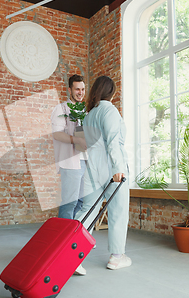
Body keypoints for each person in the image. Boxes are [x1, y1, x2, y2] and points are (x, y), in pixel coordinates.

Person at [75, 75, 131, 272]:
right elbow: (113, 141)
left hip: (92, 168)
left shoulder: (89, 114)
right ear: (111, 92)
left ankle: (72, 255)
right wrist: (118, 169)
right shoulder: (109, 110)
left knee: (87, 210)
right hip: (110, 167)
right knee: (118, 211)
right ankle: (117, 257)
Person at [51, 74, 87, 221]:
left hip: (85, 161)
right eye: (77, 89)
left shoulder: (85, 110)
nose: (80, 92)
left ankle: (73, 237)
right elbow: (57, 134)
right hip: (70, 162)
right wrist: (76, 139)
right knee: (69, 202)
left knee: (82, 202)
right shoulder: (61, 109)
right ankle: (62, 239)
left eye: (83, 89)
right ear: (69, 90)